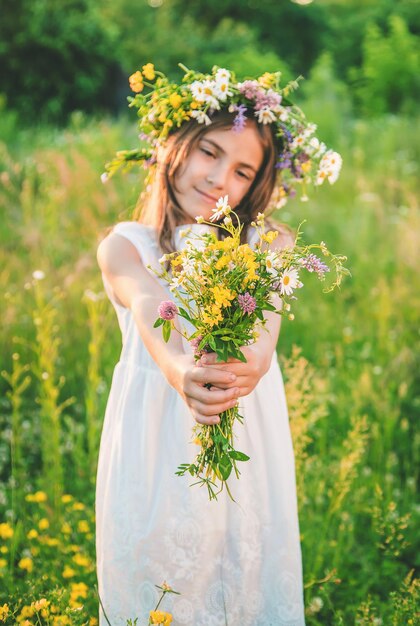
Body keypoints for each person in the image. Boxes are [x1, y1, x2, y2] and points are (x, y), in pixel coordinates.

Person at [95, 64, 340, 626]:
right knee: (163, 580)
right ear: (174, 145)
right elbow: (148, 304)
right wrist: (181, 368)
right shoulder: (124, 247)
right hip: (156, 438)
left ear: (255, 185)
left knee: (244, 570)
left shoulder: (267, 241)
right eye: (209, 151)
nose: (219, 178)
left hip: (244, 427)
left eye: (242, 170)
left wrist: (253, 360)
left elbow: (266, 322)